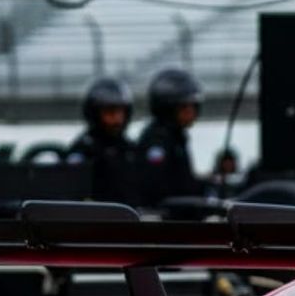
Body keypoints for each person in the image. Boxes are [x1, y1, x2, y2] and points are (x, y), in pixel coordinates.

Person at [132, 67, 207, 209]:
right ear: (166, 108)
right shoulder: (157, 140)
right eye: (184, 107)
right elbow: (156, 191)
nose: (190, 113)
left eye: (193, 107)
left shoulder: (177, 137)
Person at [68, 77, 137, 204]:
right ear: (94, 114)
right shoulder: (84, 150)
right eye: (110, 112)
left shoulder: (130, 148)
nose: (117, 119)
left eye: (120, 112)